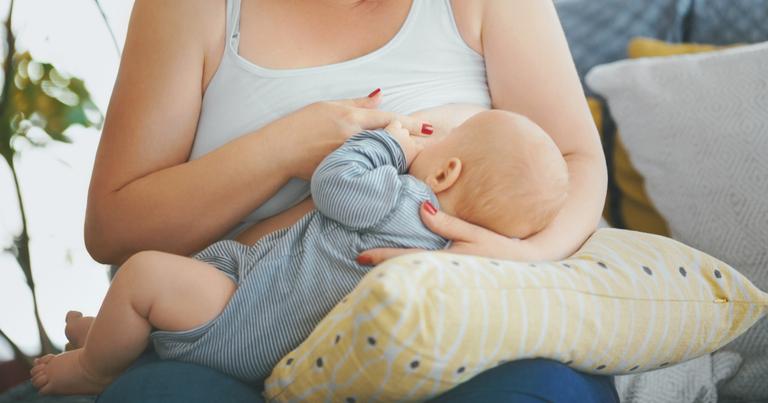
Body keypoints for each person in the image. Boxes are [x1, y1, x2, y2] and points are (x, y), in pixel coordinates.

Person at [77, 0, 615, 401]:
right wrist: (283, 150)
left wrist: (520, 257)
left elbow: (577, 162)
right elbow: (113, 229)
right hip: (238, 331)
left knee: (535, 390)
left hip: (454, 339)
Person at [31, 110, 569, 396]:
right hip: (270, 313)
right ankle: (109, 333)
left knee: (144, 275)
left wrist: (391, 144)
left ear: (447, 171)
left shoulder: (406, 200)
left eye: (446, 139)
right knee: (180, 279)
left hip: (243, 315)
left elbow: (333, 183)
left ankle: (95, 369)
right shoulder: (446, 252)